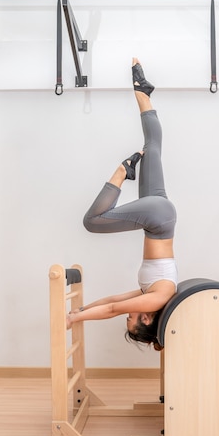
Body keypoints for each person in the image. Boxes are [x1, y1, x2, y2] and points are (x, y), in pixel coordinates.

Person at [66, 58, 177, 351]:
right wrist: (76, 320)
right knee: (92, 222)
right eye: (132, 320)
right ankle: (122, 172)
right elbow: (114, 310)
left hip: (160, 215)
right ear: (147, 318)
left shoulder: (150, 294)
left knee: (153, 145)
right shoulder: (157, 298)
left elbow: (113, 302)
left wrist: (80, 311)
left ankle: (143, 92)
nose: (127, 314)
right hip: (156, 218)